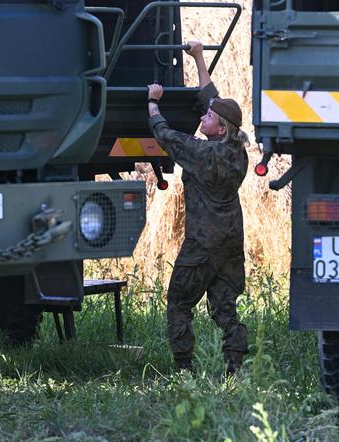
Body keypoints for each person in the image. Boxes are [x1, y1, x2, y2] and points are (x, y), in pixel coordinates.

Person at [147, 41, 249, 374]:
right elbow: (211, 98)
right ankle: (235, 369)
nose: (203, 116)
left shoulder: (203, 154)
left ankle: (183, 370)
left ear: (220, 128)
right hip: (231, 242)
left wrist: (153, 101)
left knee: (179, 302)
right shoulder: (237, 151)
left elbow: (165, 135)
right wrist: (199, 58)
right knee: (225, 310)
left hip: (203, 244)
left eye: (208, 117)